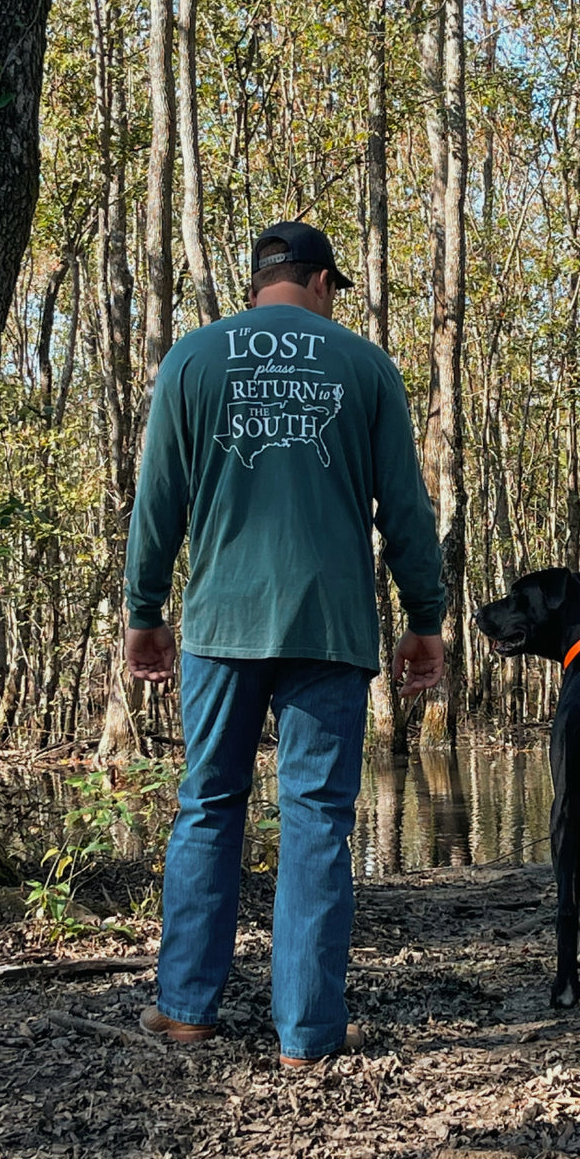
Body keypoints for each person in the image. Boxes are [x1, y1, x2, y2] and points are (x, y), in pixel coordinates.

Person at [124, 222, 445, 1063]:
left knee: (210, 805)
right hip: (330, 627)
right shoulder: (366, 366)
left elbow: (158, 500)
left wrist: (144, 611)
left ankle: (187, 1006)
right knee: (315, 820)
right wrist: (425, 619)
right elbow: (405, 510)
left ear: (257, 281)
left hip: (223, 625)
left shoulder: (193, 360)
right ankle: (307, 1031)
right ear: (323, 283)